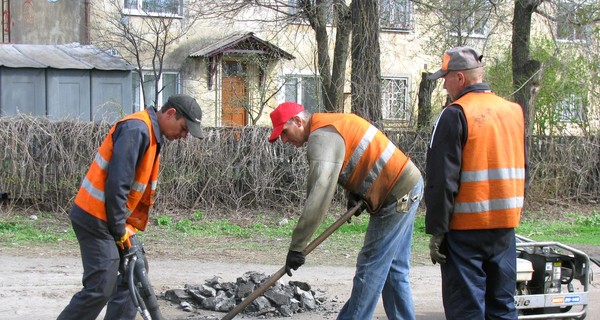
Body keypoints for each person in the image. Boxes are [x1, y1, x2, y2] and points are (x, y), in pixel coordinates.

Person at [268, 102, 423, 320]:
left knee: (370, 269)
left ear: (298, 121)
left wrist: (297, 246)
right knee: (393, 271)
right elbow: (359, 155)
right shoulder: (330, 125)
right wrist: (358, 192)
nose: (284, 140)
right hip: (406, 184)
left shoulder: (321, 137)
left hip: (396, 193)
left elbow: (318, 195)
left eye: (284, 132)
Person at [57, 94, 204, 320]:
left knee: (134, 271)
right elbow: (118, 184)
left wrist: (121, 226)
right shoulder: (137, 130)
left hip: (112, 218)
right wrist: (118, 231)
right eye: (184, 128)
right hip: (95, 217)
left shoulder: (152, 134)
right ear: (171, 113)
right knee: (100, 287)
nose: (184, 136)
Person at [424, 46, 526, 320]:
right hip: (504, 228)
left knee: (466, 310)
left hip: (465, 230)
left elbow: (441, 180)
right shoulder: (514, 111)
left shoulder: (455, 113)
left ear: (460, 78)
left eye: (445, 78)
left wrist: (437, 230)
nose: (443, 85)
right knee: (502, 307)